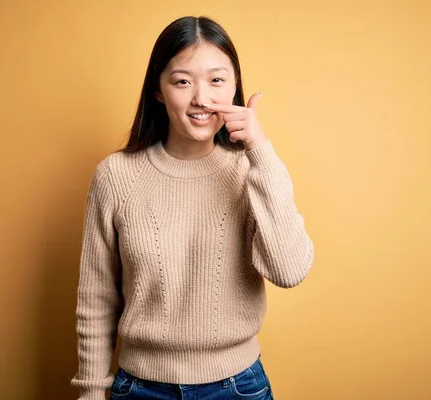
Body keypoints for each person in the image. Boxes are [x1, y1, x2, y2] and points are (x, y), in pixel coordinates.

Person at [70, 15, 314, 400]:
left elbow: (289, 269)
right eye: (183, 81)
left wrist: (260, 152)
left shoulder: (253, 170)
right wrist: (90, 391)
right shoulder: (115, 176)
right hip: (140, 388)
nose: (201, 98)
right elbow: (96, 296)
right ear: (158, 90)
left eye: (217, 80)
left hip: (238, 387)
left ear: (235, 86)